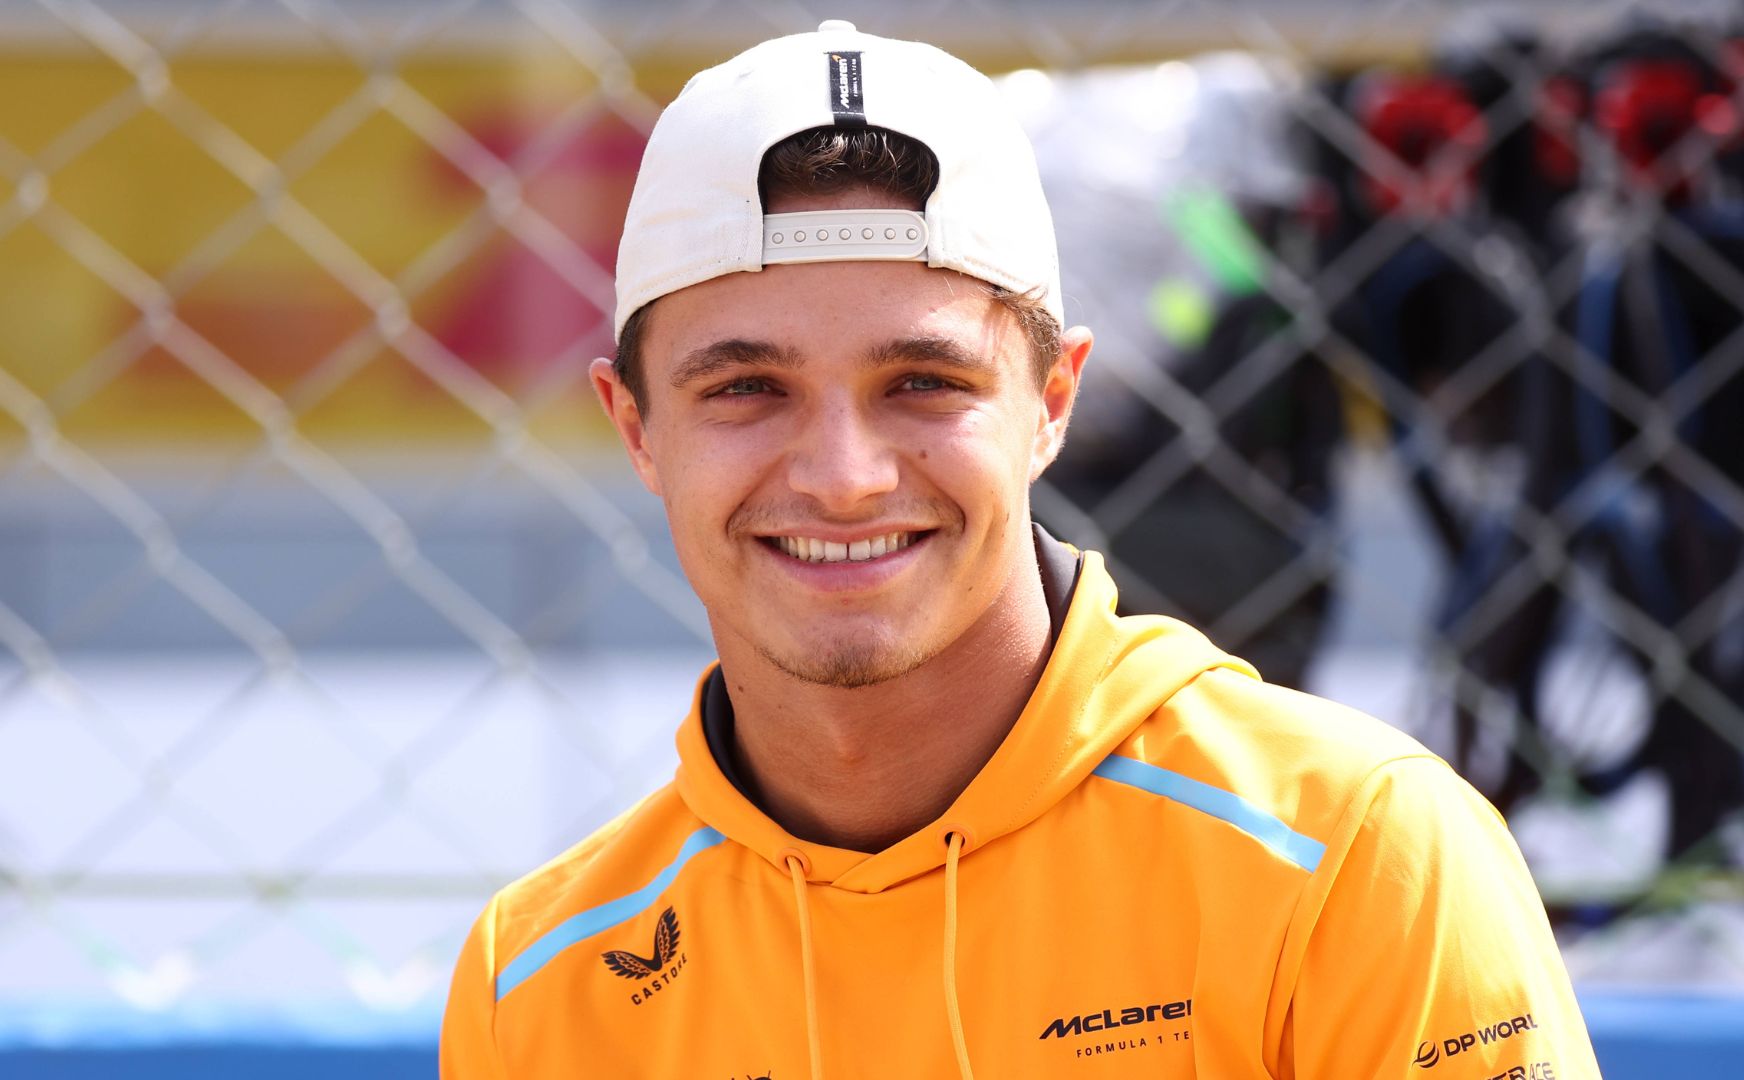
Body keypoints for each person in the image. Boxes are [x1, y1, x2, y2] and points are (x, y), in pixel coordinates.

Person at [441, 20, 1602, 1079]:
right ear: (636, 428)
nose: (845, 476)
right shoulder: (537, 984)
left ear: (1052, 404)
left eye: (923, 383)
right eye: (748, 388)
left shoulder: (1359, 857)